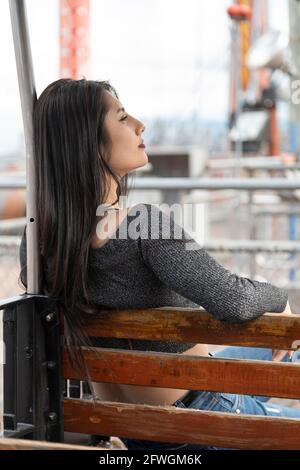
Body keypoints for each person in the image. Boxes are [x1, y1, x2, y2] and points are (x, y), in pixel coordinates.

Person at [18, 78, 300, 451]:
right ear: (88, 141)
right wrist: (279, 298)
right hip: (200, 419)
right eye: (121, 117)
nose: (139, 124)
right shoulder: (143, 225)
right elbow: (235, 301)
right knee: (287, 332)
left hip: (135, 429)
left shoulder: (41, 240)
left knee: (282, 345)